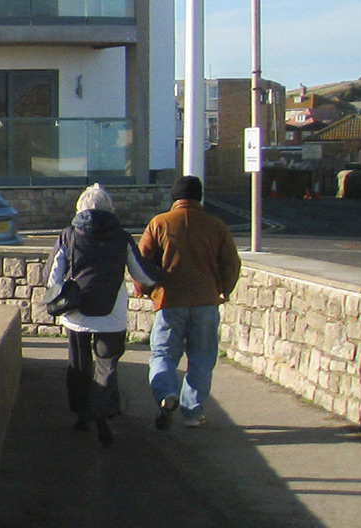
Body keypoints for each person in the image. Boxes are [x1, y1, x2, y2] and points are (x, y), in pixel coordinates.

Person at [47, 184, 157, 447]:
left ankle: (82, 414)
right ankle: (104, 412)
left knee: (79, 365)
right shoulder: (121, 237)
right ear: (109, 208)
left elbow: (51, 276)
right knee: (107, 363)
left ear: (80, 208)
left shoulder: (69, 235)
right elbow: (142, 276)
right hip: (112, 313)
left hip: (76, 313)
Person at [139, 175, 241, 430]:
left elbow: (141, 261)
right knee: (202, 359)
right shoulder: (216, 225)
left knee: (163, 354)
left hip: (170, 300)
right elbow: (231, 263)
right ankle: (193, 413)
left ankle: (166, 394)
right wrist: (224, 290)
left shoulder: (159, 223)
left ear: (174, 197)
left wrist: (145, 289)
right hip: (206, 301)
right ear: (199, 196)